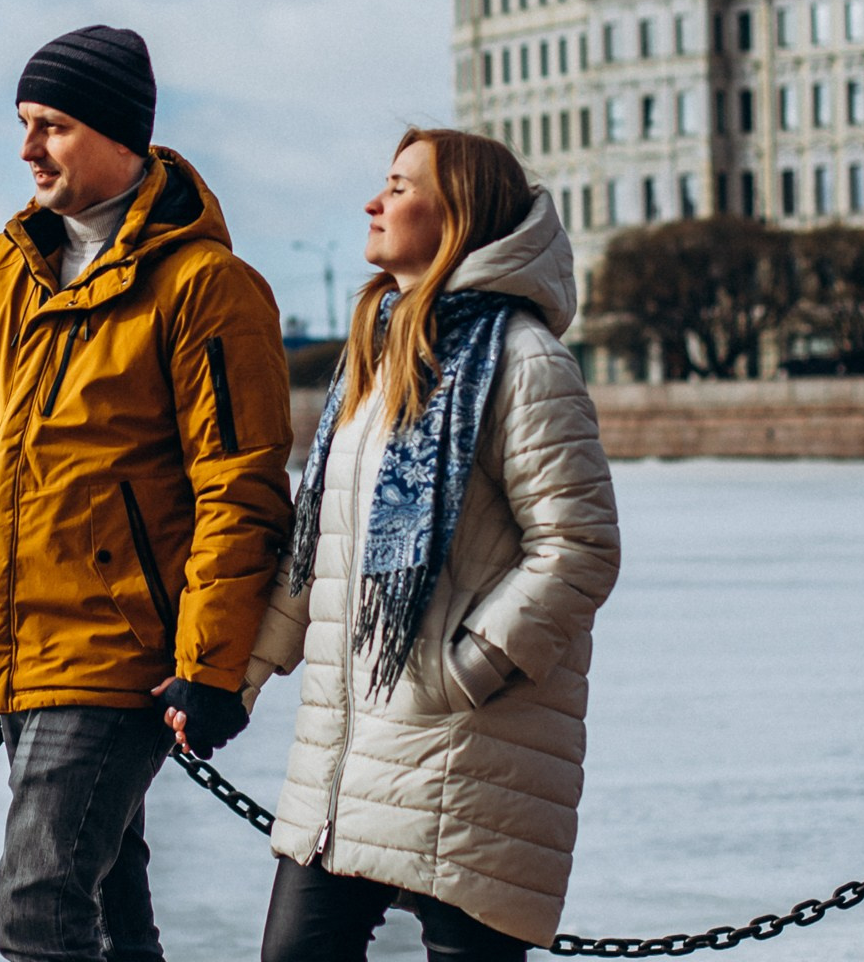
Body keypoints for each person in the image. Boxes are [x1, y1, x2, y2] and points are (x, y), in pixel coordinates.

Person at [0, 24, 296, 962]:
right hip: (21, 648)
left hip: (119, 659)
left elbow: (239, 488)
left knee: (38, 910)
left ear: (121, 135)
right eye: (23, 123)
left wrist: (209, 664)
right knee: (113, 914)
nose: (27, 148)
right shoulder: (0, 272)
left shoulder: (208, 289)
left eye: (52, 125)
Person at [246, 128, 619, 962]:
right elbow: (323, 550)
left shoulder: (524, 360)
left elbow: (579, 546)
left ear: (458, 217)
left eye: (399, 186)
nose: (373, 203)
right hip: (348, 754)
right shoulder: (375, 355)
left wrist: (468, 668)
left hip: (470, 748)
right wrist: (241, 675)